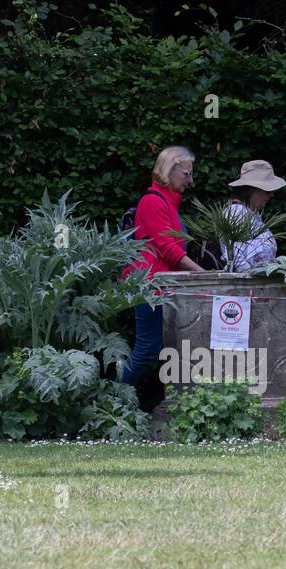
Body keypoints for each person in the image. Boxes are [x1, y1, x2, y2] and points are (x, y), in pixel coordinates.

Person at [119, 146, 204, 390]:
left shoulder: (168, 204)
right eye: (187, 174)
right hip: (150, 289)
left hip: (163, 288)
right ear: (169, 170)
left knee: (166, 349)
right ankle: (108, 397)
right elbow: (171, 251)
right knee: (147, 350)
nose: (190, 180)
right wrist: (203, 275)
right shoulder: (152, 202)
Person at [221, 160, 286, 272]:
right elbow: (237, 261)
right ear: (252, 189)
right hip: (248, 285)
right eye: (267, 190)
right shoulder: (236, 212)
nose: (271, 194)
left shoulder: (250, 213)